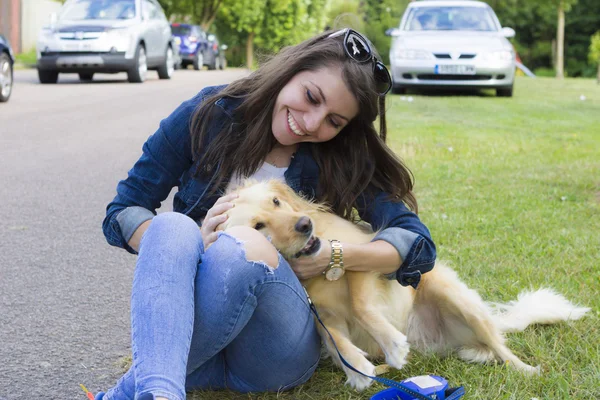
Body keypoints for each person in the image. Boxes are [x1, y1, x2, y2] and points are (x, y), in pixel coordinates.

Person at [97, 28, 436, 400]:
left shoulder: (339, 155)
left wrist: (335, 254)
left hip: (272, 354)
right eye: (311, 97)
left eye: (333, 122)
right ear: (291, 68)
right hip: (196, 342)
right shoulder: (208, 113)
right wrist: (197, 242)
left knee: (239, 244)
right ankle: (160, 389)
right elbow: (124, 210)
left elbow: (413, 240)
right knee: (174, 227)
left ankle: (138, 385)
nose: (311, 123)